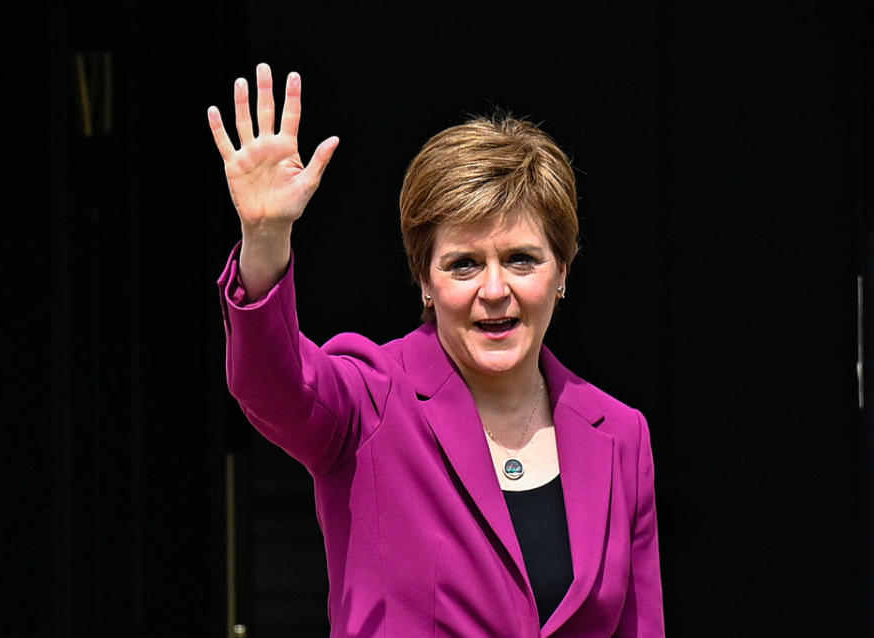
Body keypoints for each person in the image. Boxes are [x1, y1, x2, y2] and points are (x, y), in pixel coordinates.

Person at [208, 63, 664, 637]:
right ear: (424, 281)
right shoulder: (373, 399)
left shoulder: (622, 436)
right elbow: (273, 385)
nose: (494, 291)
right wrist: (266, 237)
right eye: (464, 264)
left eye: (522, 259)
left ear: (563, 271)